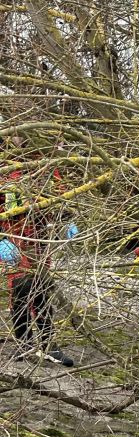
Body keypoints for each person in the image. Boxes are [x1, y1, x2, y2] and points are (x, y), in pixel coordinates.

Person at [0, 135, 75, 366]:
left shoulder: (44, 164)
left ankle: (48, 345)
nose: (20, 139)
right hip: (12, 234)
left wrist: (67, 221)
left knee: (42, 286)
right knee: (21, 286)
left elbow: (61, 197)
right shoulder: (4, 166)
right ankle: (24, 344)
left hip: (41, 236)